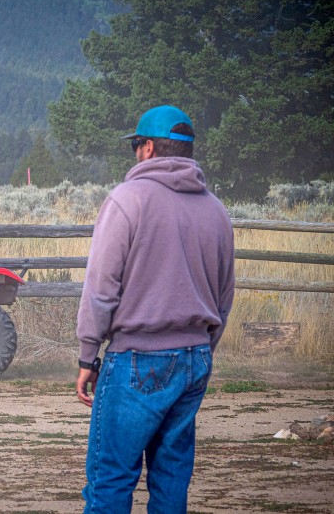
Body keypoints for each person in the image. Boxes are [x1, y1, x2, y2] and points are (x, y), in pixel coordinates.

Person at [75, 105, 235, 513]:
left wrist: (88, 354)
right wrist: (200, 347)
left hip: (137, 357)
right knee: (170, 481)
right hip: (194, 358)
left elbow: (101, 287)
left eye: (135, 146)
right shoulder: (216, 211)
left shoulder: (128, 200)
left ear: (147, 148)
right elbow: (224, 294)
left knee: (111, 480)